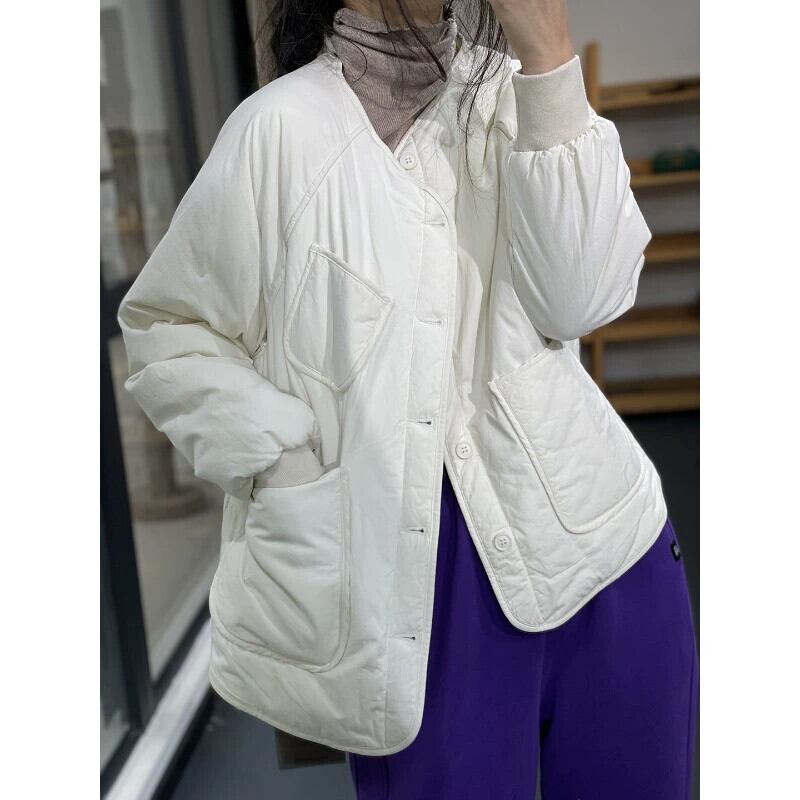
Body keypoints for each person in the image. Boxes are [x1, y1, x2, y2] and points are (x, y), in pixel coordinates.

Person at [118, 1, 698, 797]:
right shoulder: (277, 133)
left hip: (606, 551)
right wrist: (282, 459)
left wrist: (550, 53)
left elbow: (585, 300)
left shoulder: (510, 93)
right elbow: (168, 328)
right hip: (410, 602)